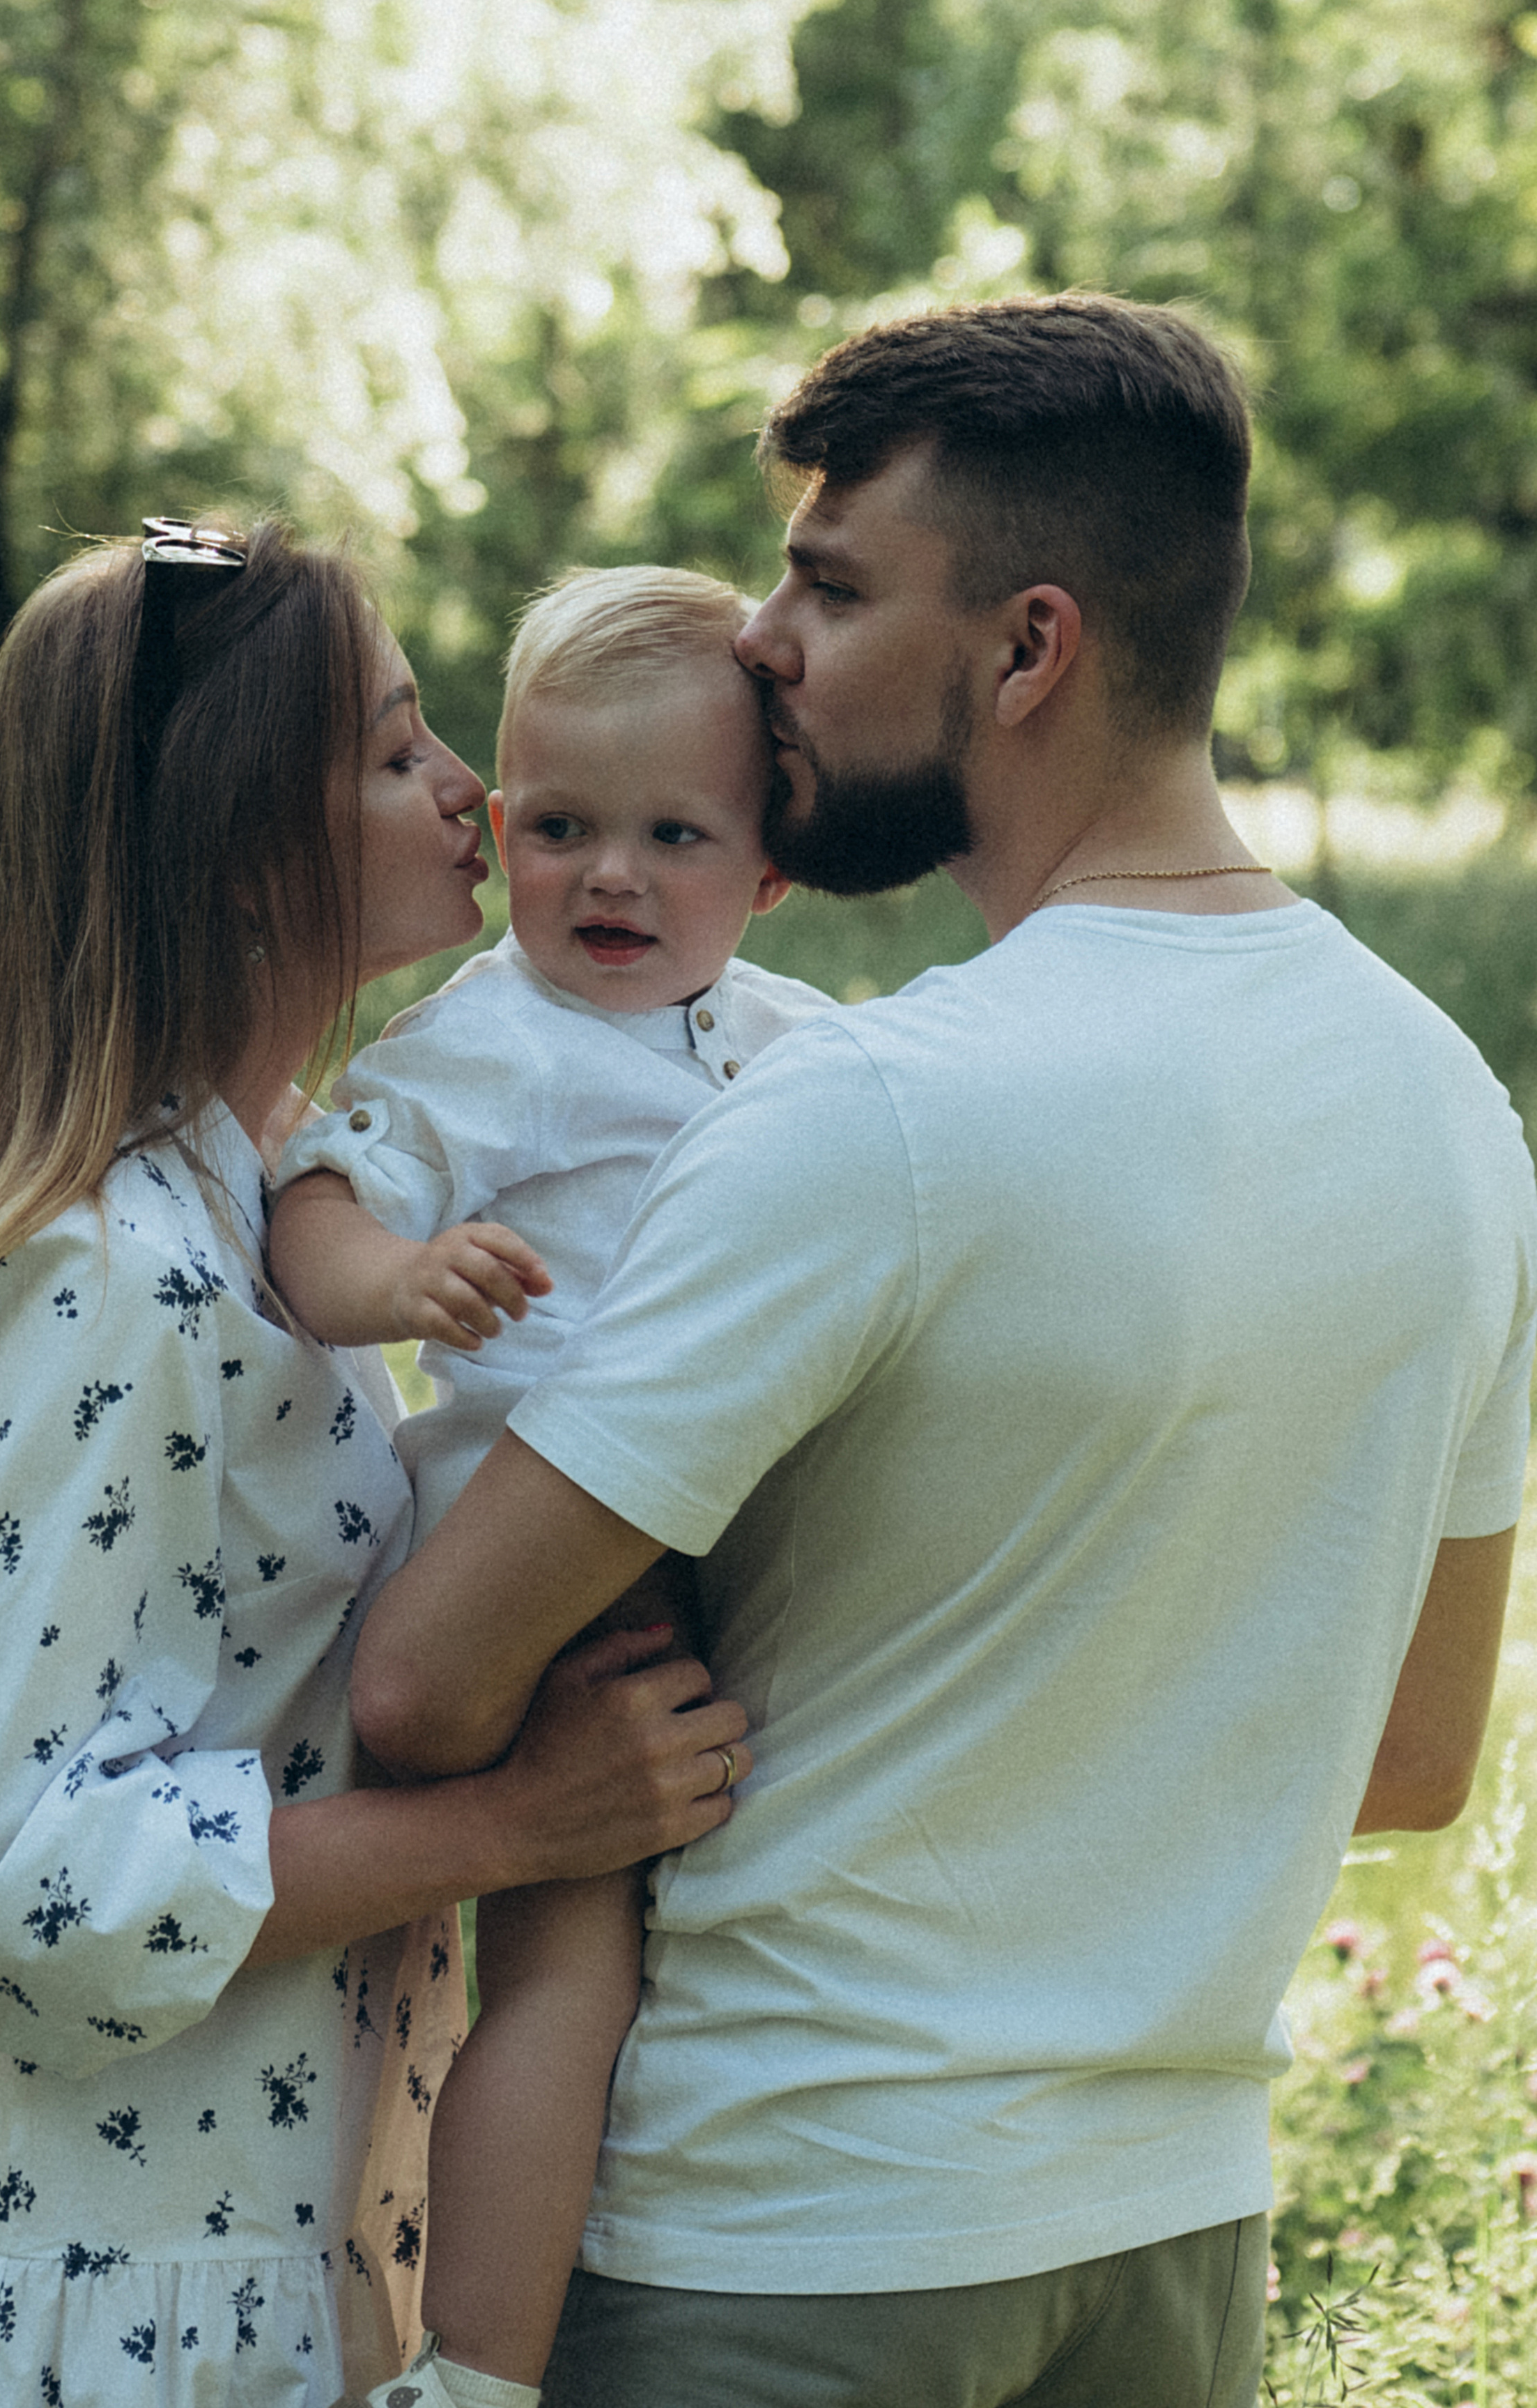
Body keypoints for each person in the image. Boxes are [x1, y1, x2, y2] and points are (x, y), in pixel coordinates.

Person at [347, 296, 1537, 2408]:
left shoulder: (866, 1110)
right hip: (1172, 2248)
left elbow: (437, 1685)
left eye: (830, 584)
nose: (768, 645)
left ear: (1029, 648)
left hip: (787, 2244)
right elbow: (1417, 1759)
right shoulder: (1452, 1108)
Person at [0, 517, 748, 2408]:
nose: (475, 793)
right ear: (236, 853)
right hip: (72, 2309)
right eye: (393, 755)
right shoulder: (114, 1272)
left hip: (201, 2233)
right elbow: (12, 1880)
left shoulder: (250, 1195)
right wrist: (517, 1829)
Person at [266, 565, 827, 2408]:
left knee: (685, 1970)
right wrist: (399, 1288)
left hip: (720, 1532)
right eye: (562, 825)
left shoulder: (792, 1043)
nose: (610, 876)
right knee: (563, 1978)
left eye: (676, 834)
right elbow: (328, 1199)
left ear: (769, 869)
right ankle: (480, 2373)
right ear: (499, 832)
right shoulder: (490, 1046)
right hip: (535, 1551)